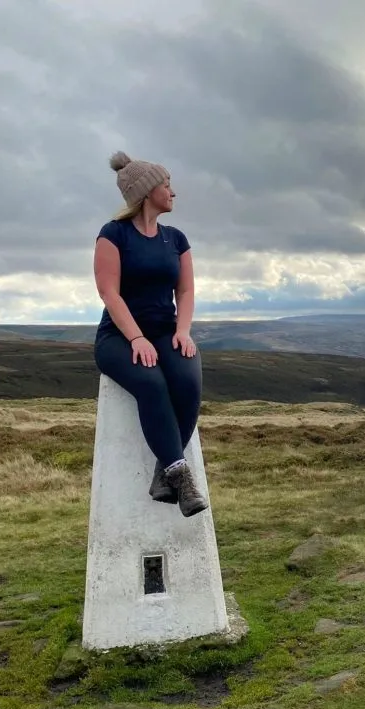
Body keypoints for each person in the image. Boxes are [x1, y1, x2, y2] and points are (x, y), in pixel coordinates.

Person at [92, 151, 208, 517]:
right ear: (146, 192)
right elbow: (109, 292)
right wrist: (136, 339)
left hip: (165, 331)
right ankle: (182, 477)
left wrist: (184, 331)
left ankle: (164, 471)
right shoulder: (113, 234)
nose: (173, 191)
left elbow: (185, 291)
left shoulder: (176, 239)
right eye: (167, 184)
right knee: (152, 383)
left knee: (188, 381)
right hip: (119, 336)